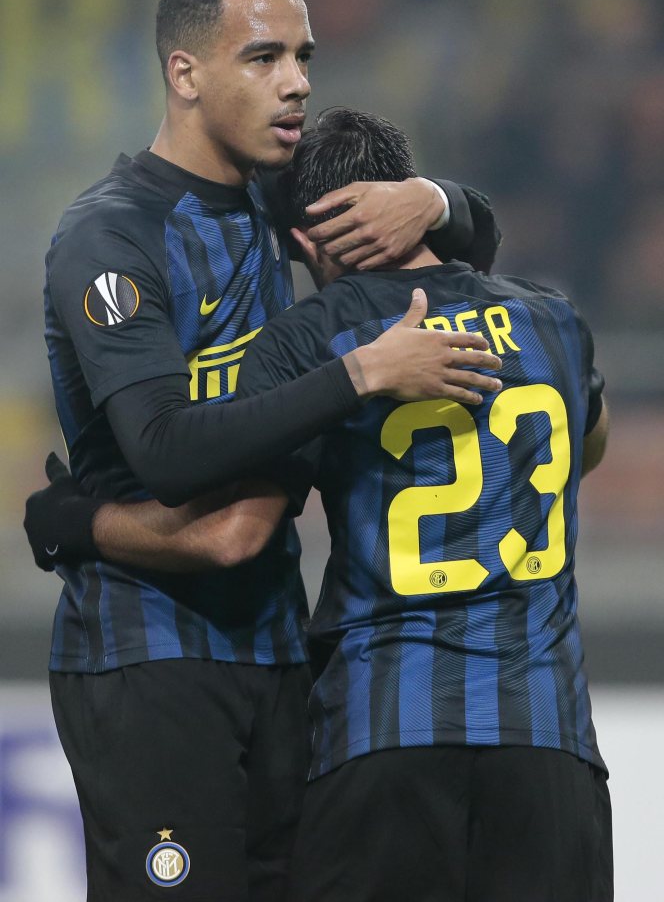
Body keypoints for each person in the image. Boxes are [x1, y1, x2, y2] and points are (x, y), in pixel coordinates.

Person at [28, 106, 611, 901]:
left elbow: (236, 532)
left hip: (385, 728)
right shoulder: (555, 321)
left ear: (306, 241)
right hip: (552, 742)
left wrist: (76, 523)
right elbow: (594, 443)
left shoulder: (314, 340)